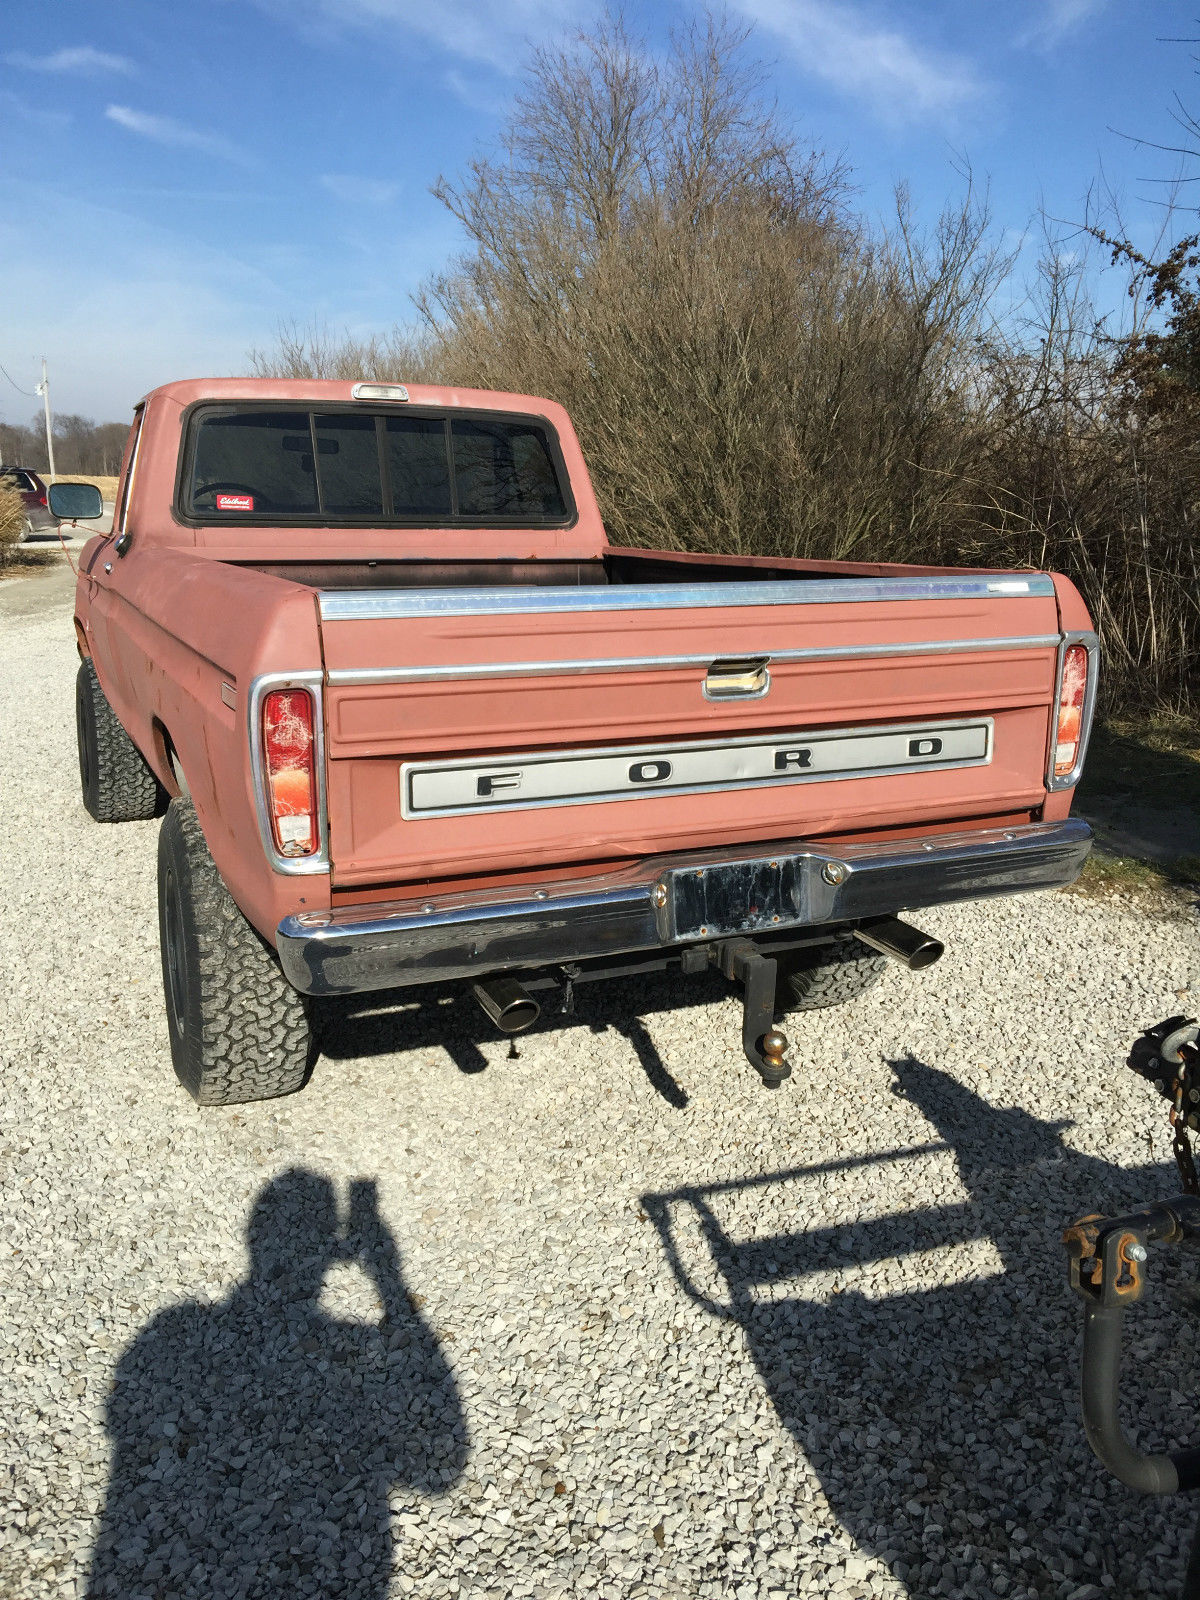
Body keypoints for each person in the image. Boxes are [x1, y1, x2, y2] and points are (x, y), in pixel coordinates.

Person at [86, 1169, 466, 1599]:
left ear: (254, 1238)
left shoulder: (173, 1328)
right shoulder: (353, 1343)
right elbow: (437, 1473)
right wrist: (389, 1281)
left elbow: (121, 1420)